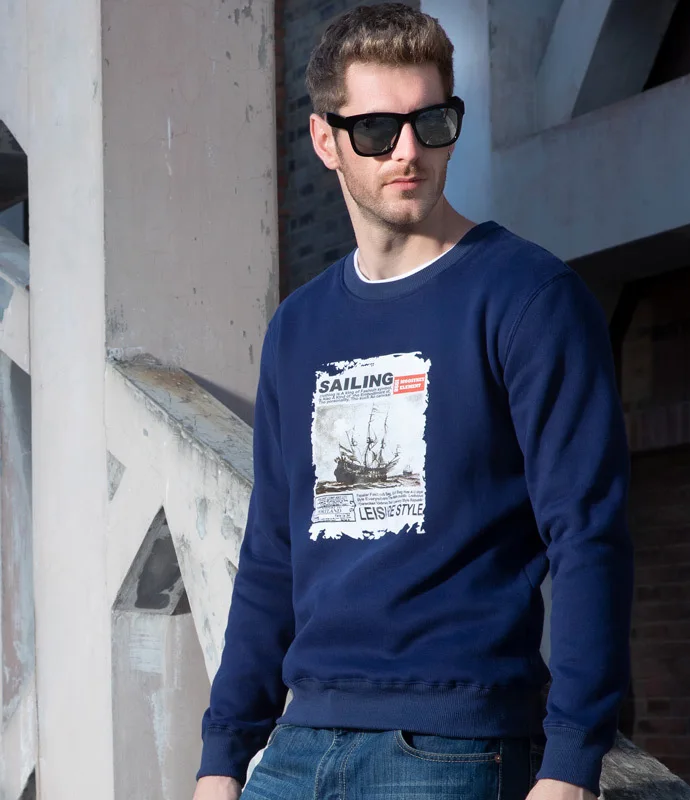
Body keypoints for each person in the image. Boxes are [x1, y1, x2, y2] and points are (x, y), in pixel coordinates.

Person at [194, 4, 633, 799]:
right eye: (376, 129)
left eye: (431, 122)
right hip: (296, 746)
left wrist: (571, 762)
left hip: (450, 747)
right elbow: (272, 553)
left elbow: (587, 531)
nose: (409, 150)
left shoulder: (528, 296)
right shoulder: (299, 327)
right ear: (325, 139)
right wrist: (223, 755)